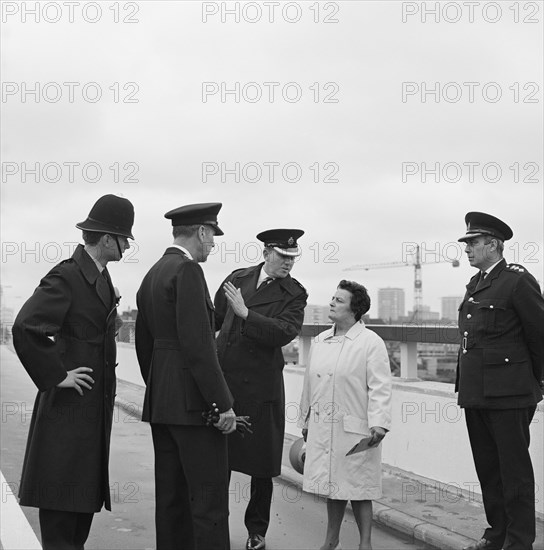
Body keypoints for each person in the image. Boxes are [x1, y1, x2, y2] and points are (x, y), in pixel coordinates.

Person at [12, 194, 135, 550]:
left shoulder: (100, 277)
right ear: (108, 239)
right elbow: (27, 326)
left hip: (87, 418)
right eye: (124, 238)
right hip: (66, 414)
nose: (127, 245)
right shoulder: (68, 275)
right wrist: (57, 374)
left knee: (78, 516)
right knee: (62, 519)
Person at [135, 202, 236, 550]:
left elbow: (144, 345)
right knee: (208, 504)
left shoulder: (152, 274)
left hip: (162, 404)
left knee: (171, 500)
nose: (213, 245)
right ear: (202, 232)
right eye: (213, 237)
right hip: (195, 410)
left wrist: (161, 389)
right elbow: (199, 347)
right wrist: (222, 404)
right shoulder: (188, 271)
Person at [214, 229, 308, 550]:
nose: (288, 264)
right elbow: (215, 316)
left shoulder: (294, 293)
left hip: (262, 387)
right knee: (219, 459)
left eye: (293, 258)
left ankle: (257, 531)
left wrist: (246, 314)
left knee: (262, 466)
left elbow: (284, 332)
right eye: (283, 257)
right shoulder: (238, 278)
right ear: (267, 252)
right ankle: (214, 524)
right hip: (227, 382)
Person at [456, 212, 544, 550]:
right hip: (476, 393)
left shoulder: (517, 280)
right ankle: (497, 535)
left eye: (473, 243)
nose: (467, 249)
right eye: (467, 243)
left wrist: (535, 382)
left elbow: (539, 334)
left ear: (493, 245)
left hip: (510, 393)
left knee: (515, 473)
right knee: (489, 471)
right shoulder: (476, 283)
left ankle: (519, 541)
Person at [299, 280, 392, 550]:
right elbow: (309, 384)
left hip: (356, 428)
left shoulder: (370, 342)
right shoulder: (319, 341)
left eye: (339, 300)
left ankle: (365, 544)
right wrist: (305, 420)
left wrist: (379, 424)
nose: (332, 303)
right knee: (333, 486)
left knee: (359, 489)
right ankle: (331, 540)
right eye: (332, 298)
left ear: (354, 309)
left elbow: (380, 387)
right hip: (323, 425)